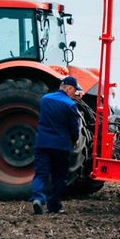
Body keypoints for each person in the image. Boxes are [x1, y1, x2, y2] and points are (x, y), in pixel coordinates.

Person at [30, 75, 82, 215]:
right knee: (59, 176)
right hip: (61, 146)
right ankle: (53, 206)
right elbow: (74, 127)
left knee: (41, 174)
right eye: (74, 90)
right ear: (69, 88)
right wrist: (75, 139)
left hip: (42, 144)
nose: (74, 93)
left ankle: (37, 199)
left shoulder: (45, 99)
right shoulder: (70, 105)